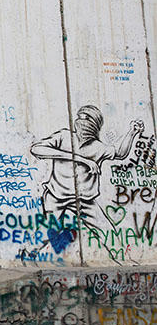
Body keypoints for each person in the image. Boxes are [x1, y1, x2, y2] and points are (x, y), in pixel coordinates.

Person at [31, 105, 144, 244]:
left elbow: (120, 153)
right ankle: (27, 252)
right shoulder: (64, 136)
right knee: (47, 232)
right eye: (80, 116)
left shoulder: (98, 147)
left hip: (85, 200)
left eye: (87, 118)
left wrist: (132, 133)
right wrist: (81, 159)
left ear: (95, 123)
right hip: (56, 196)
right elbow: (37, 149)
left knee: (106, 232)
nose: (81, 120)